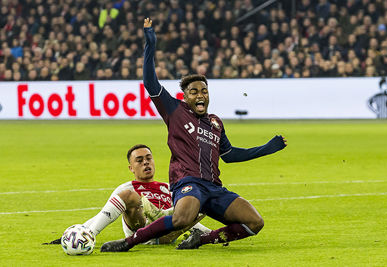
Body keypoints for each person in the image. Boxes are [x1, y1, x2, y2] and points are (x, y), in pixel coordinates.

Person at [100, 18, 287, 252]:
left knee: (255, 222)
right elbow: (150, 82)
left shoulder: (216, 123)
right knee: (182, 218)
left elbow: (229, 155)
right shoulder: (176, 110)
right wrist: (150, 44)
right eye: (194, 92)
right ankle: (128, 242)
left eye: (204, 91)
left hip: (214, 188)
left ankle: (202, 239)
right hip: (187, 182)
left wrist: (267, 148)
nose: (200, 95)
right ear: (186, 97)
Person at [44, 144, 209, 245]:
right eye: (139, 160)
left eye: (148, 158)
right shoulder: (127, 187)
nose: (145, 162)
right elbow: (102, 214)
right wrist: (83, 230)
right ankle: (90, 236)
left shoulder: (168, 187)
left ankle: (165, 218)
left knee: (198, 195)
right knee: (131, 197)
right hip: (141, 230)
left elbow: (184, 215)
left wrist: (208, 233)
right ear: (131, 168)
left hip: (166, 233)